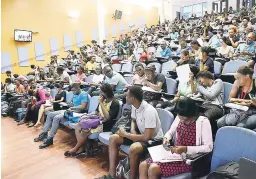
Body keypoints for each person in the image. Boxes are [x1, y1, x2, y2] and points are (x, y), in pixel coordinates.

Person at [97, 85, 163, 179]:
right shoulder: (134, 106)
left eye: (127, 95)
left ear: (133, 98)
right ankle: (112, 174)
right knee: (113, 138)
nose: (125, 97)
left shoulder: (149, 111)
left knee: (134, 148)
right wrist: (132, 129)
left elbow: (146, 137)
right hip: (139, 134)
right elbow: (133, 120)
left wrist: (127, 134)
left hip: (154, 141)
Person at [139, 97, 213, 178]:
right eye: (179, 116)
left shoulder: (203, 122)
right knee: (143, 165)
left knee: (153, 169)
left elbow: (208, 147)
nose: (181, 119)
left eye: (183, 117)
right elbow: (170, 132)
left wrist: (185, 149)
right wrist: (166, 138)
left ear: (190, 114)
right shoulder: (180, 116)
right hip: (175, 154)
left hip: (188, 159)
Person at [64, 83, 120, 157]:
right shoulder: (103, 100)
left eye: (101, 92)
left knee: (84, 132)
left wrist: (101, 103)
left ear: (106, 92)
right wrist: (88, 116)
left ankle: (76, 149)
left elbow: (108, 118)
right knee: (78, 125)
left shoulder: (115, 102)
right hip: (98, 121)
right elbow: (96, 112)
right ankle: (81, 148)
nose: (100, 93)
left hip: (106, 124)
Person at [34, 83, 89, 149]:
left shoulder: (84, 94)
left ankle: (50, 139)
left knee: (56, 118)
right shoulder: (75, 94)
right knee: (50, 114)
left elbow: (83, 107)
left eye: (74, 90)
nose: (73, 92)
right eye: (72, 91)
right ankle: (44, 133)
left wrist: (72, 108)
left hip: (77, 113)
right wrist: (69, 105)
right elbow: (72, 103)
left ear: (78, 88)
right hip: (69, 110)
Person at [196, 71, 224, 136]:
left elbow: (211, 95)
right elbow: (199, 95)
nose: (200, 83)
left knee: (203, 118)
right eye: (199, 82)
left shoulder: (217, 82)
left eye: (200, 81)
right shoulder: (204, 87)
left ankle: (206, 139)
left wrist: (200, 87)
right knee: (191, 114)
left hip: (217, 107)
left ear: (205, 77)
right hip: (205, 106)